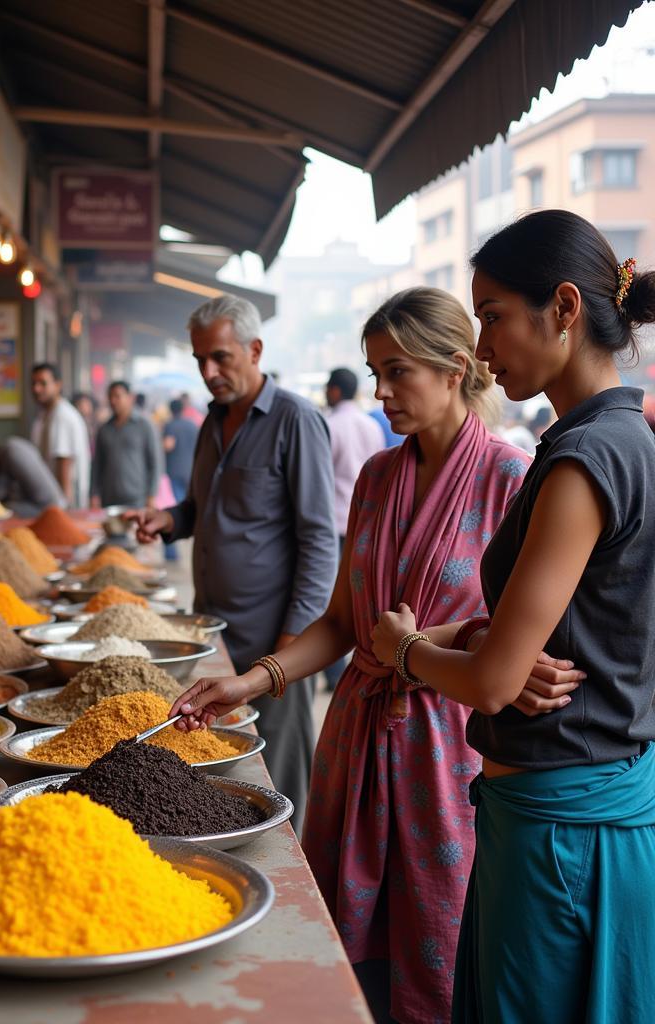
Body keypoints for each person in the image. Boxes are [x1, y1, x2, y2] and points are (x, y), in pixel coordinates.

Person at [170, 287, 568, 1024]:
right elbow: (346, 622)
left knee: (442, 956)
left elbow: (525, 642)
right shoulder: (379, 479)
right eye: (373, 371)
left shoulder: (512, 482)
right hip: (355, 736)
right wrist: (253, 680)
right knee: (353, 966)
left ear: (455, 370)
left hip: (447, 755)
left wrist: (439, 647)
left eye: (396, 372)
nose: (379, 392)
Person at [366, 213, 655, 1023]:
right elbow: (577, 630)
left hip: (562, 827)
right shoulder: (610, 440)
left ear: (563, 308)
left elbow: (494, 687)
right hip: (561, 812)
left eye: (492, 316)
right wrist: (470, 638)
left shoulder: (585, 458)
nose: (483, 348)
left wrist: (409, 647)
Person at [128, 294, 337, 831]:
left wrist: (293, 642)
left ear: (255, 349)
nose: (209, 371)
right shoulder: (211, 423)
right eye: (200, 360)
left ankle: (289, 889)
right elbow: (202, 508)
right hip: (214, 634)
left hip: (275, 642)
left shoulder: (296, 420)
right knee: (224, 770)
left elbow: (318, 539)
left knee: (280, 778)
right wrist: (168, 520)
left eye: (220, 357)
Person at [322, 367, 386, 691]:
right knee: (357, 599)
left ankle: (333, 673)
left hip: (334, 520)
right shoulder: (371, 425)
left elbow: (320, 479)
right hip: (364, 522)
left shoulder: (329, 425)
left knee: (334, 603)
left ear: (334, 391)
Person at [91, 381, 161, 509]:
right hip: (109, 499)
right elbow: (97, 465)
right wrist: (94, 494)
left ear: (130, 398)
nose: (113, 401)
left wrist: (151, 495)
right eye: (110, 397)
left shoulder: (144, 426)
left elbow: (156, 462)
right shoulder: (104, 429)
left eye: (117, 396)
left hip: (137, 499)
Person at [30, 363, 91, 509]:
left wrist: (63, 510)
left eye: (43, 383)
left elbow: (64, 463)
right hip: (51, 500)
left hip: (64, 502)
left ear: (57, 385)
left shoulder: (62, 415)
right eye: (34, 383)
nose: (36, 389)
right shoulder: (44, 415)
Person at [0, 437, 66, 518]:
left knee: (3, 508)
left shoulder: (7, 454)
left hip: (45, 506)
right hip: (59, 500)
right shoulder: (16, 444)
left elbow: (0, 493)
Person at [161, 398, 201, 562]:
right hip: (190, 471)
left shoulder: (171, 425)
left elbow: (168, 445)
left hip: (174, 472)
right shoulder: (192, 425)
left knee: (172, 511)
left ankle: (171, 552)